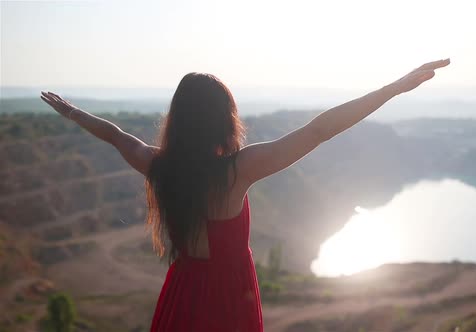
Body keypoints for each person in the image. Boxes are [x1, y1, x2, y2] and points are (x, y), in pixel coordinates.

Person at [40, 58, 450, 331]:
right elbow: (319, 130)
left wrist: (73, 113)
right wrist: (393, 88)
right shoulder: (237, 172)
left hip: (183, 291)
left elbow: (117, 136)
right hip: (229, 298)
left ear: (179, 120)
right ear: (223, 120)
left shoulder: (159, 166)